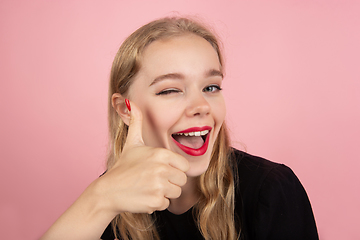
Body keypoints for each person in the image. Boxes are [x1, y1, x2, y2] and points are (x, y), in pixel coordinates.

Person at [40, 17, 319, 240]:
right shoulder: (114, 194)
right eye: (171, 90)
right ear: (126, 109)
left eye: (211, 87)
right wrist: (100, 198)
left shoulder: (270, 190)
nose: (201, 105)